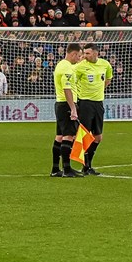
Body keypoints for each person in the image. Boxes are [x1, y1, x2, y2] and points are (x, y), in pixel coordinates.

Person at [72, 43, 113, 176]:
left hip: (98, 103)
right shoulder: (80, 67)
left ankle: (87, 165)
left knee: (98, 137)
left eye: (88, 53)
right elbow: (72, 82)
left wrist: (99, 90)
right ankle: (85, 165)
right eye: (84, 53)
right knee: (85, 136)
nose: (84, 56)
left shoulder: (105, 64)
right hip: (85, 104)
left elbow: (108, 79)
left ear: (96, 53)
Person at [51, 42, 83, 177]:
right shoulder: (67, 68)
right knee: (68, 136)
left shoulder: (60, 65)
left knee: (59, 136)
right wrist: (73, 109)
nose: (79, 59)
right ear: (73, 54)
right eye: (79, 56)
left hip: (60, 104)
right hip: (66, 105)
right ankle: (67, 169)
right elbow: (67, 88)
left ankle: (55, 169)